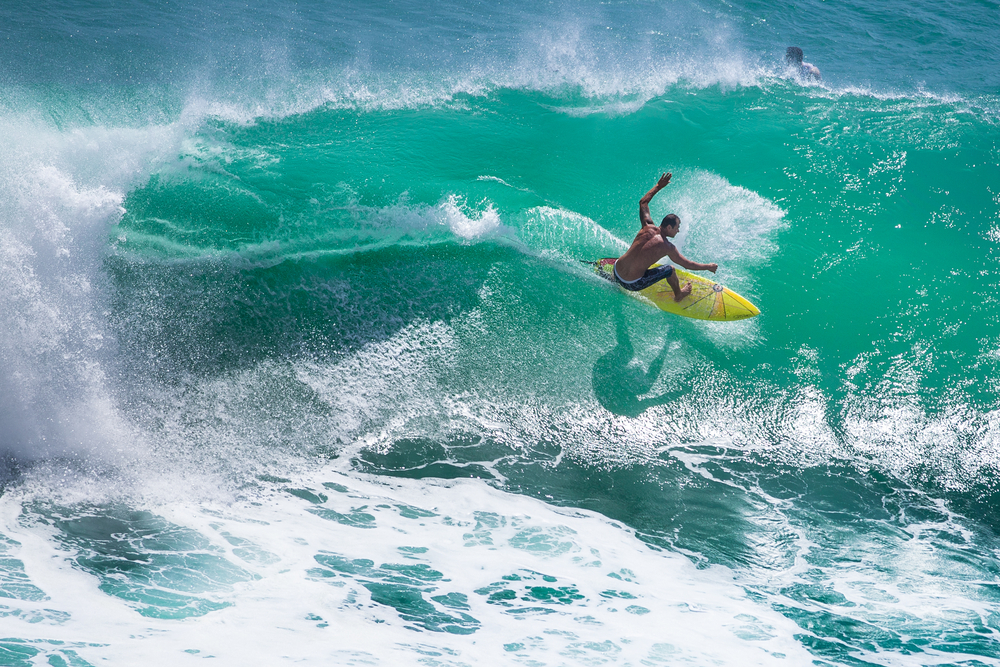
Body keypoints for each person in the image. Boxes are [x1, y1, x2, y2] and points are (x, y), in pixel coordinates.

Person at [612, 173, 718, 302]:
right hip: (631, 284)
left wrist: (658, 186)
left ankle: (616, 276)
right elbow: (687, 264)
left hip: (616, 271)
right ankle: (679, 294)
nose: (678, 231)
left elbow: (643, 202)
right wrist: (708, 266)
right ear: (668, 227)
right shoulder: (667, 247)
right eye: (677, 227)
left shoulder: (647, 226)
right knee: (670, 269)